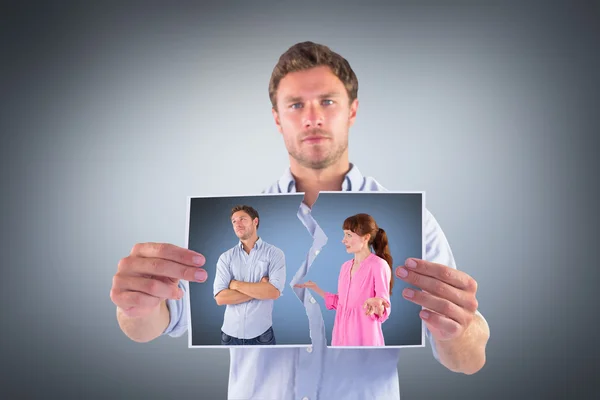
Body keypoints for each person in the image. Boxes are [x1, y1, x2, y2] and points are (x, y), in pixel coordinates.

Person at [110, 41, 490, 399]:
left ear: (352, 110)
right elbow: (157, 319)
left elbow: (468, 358)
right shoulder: (234, 224)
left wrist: (462, 327)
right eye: (295, 105)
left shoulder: (413, 223)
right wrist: (135, 306)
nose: (312, 118)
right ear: (277, 118)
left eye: (327, 101)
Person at [295, 213, 394, 347]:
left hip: (365, 340)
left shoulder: (379, 265)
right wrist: (316, 288)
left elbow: (383, 306)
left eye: (349, 235)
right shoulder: (345, 267)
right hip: (340, 338)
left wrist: (376, 304)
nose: (343, 240)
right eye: (344, 235)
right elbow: (342, 304)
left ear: (366, 237)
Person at [213, 205, 286, 346]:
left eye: (242, 219)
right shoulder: (225, 257)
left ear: (255, 221)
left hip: (262, 335)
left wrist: (236, 285)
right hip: (229, 335)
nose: (237, 224)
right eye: (234, 221)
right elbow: (221, 298)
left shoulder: (274, 254)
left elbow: (273, 292)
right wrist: (261, 289)